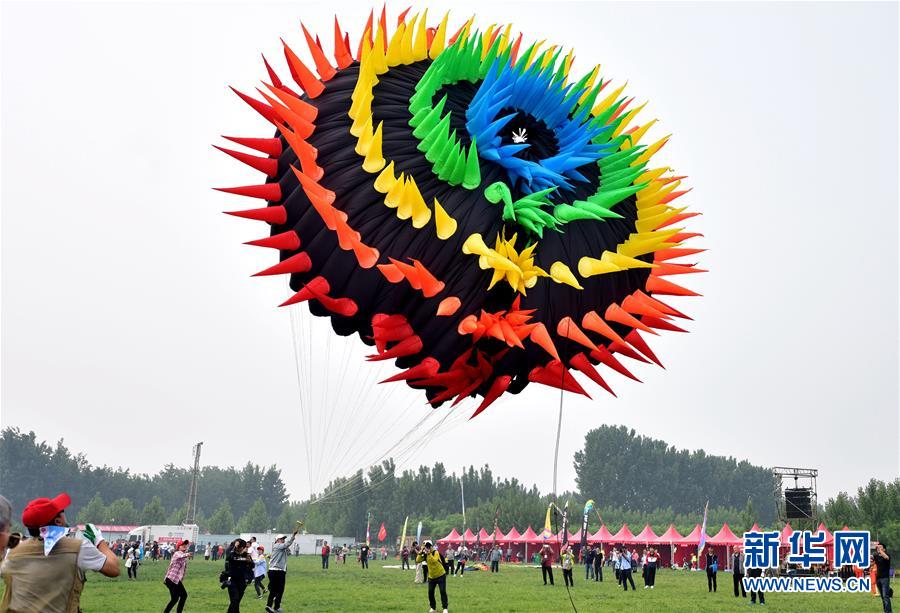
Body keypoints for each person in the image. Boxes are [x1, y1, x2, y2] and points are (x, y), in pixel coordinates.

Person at [0, 493, 120, 612]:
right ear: (58, 521)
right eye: (62, 511)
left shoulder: (13, 550)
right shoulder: (79, 548)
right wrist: (99, 541)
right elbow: (114, 569)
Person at [267, 525, 299, 613]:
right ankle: (272, 606)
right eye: (281, 539)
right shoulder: (277, 545)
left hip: (278, 571)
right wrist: (293, 536)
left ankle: (273, 606)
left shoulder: (281, 547)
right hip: (276, 571)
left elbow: (288, 550)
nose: (283, 540)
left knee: (278, 590)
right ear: (277, 540)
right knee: (277, 590)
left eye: (283, 539)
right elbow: (287, 544)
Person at [416, 540, 448, 613]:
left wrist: (429, 553)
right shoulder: (424, 554)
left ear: (431, 546)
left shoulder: (435, 552)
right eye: (426, 546)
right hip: (431, 577)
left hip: (441, 575)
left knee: (442, 591)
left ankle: (445, 608)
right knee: (430, 592)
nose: (428, 547)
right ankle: (433, 608)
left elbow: (433, 560)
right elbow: (417, 560)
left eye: (429, 546)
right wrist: (421, 552)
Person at [225, 538, 253, 613]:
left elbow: (252, 566)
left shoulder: (246, 555)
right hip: (232, 580)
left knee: (237, 601)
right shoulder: (232, 554)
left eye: (241, 548)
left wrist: (250, 562)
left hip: (242, 581)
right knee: (235, 598)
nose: (240, 549)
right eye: (239, 548)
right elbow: (228, 557)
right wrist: (235, 547)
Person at [163, 539, 190, 613]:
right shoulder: (177, 553)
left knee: (176, 598)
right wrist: (187, 554)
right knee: (181, 596)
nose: (184, 546)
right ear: (178, 547)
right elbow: (181, 555)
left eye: (185, 545)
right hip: (171, 579)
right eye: (182, 545)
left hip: (175, 580)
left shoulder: (183, 557)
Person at [874, 543, 892, 613]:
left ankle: (889, 612)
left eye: (880, 547)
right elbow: (870, 557)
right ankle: (886, 611)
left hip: (885, 578)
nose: (878, 548)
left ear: (884, 549)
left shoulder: (887, 556)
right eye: (877, 547)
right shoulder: (876, 556)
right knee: (882, 597)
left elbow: (886, 557)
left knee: (885, 596)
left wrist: (880, 551)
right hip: (878, 578)